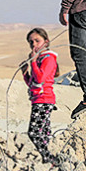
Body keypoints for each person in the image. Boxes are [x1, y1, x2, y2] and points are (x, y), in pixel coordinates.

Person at [20, 27, 58, 163]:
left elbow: (41, 78)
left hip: (44, 100)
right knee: (43, 132)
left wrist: (33, 62)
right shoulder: (41, 58)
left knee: (34, 132)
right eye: (31, 42)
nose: (34, 44)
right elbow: (34, 84)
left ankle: (49, 158)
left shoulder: (49, 58)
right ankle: (49, 159)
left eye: (37, 40)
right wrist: (25, 73)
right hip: (38, 99)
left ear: (46, 42)